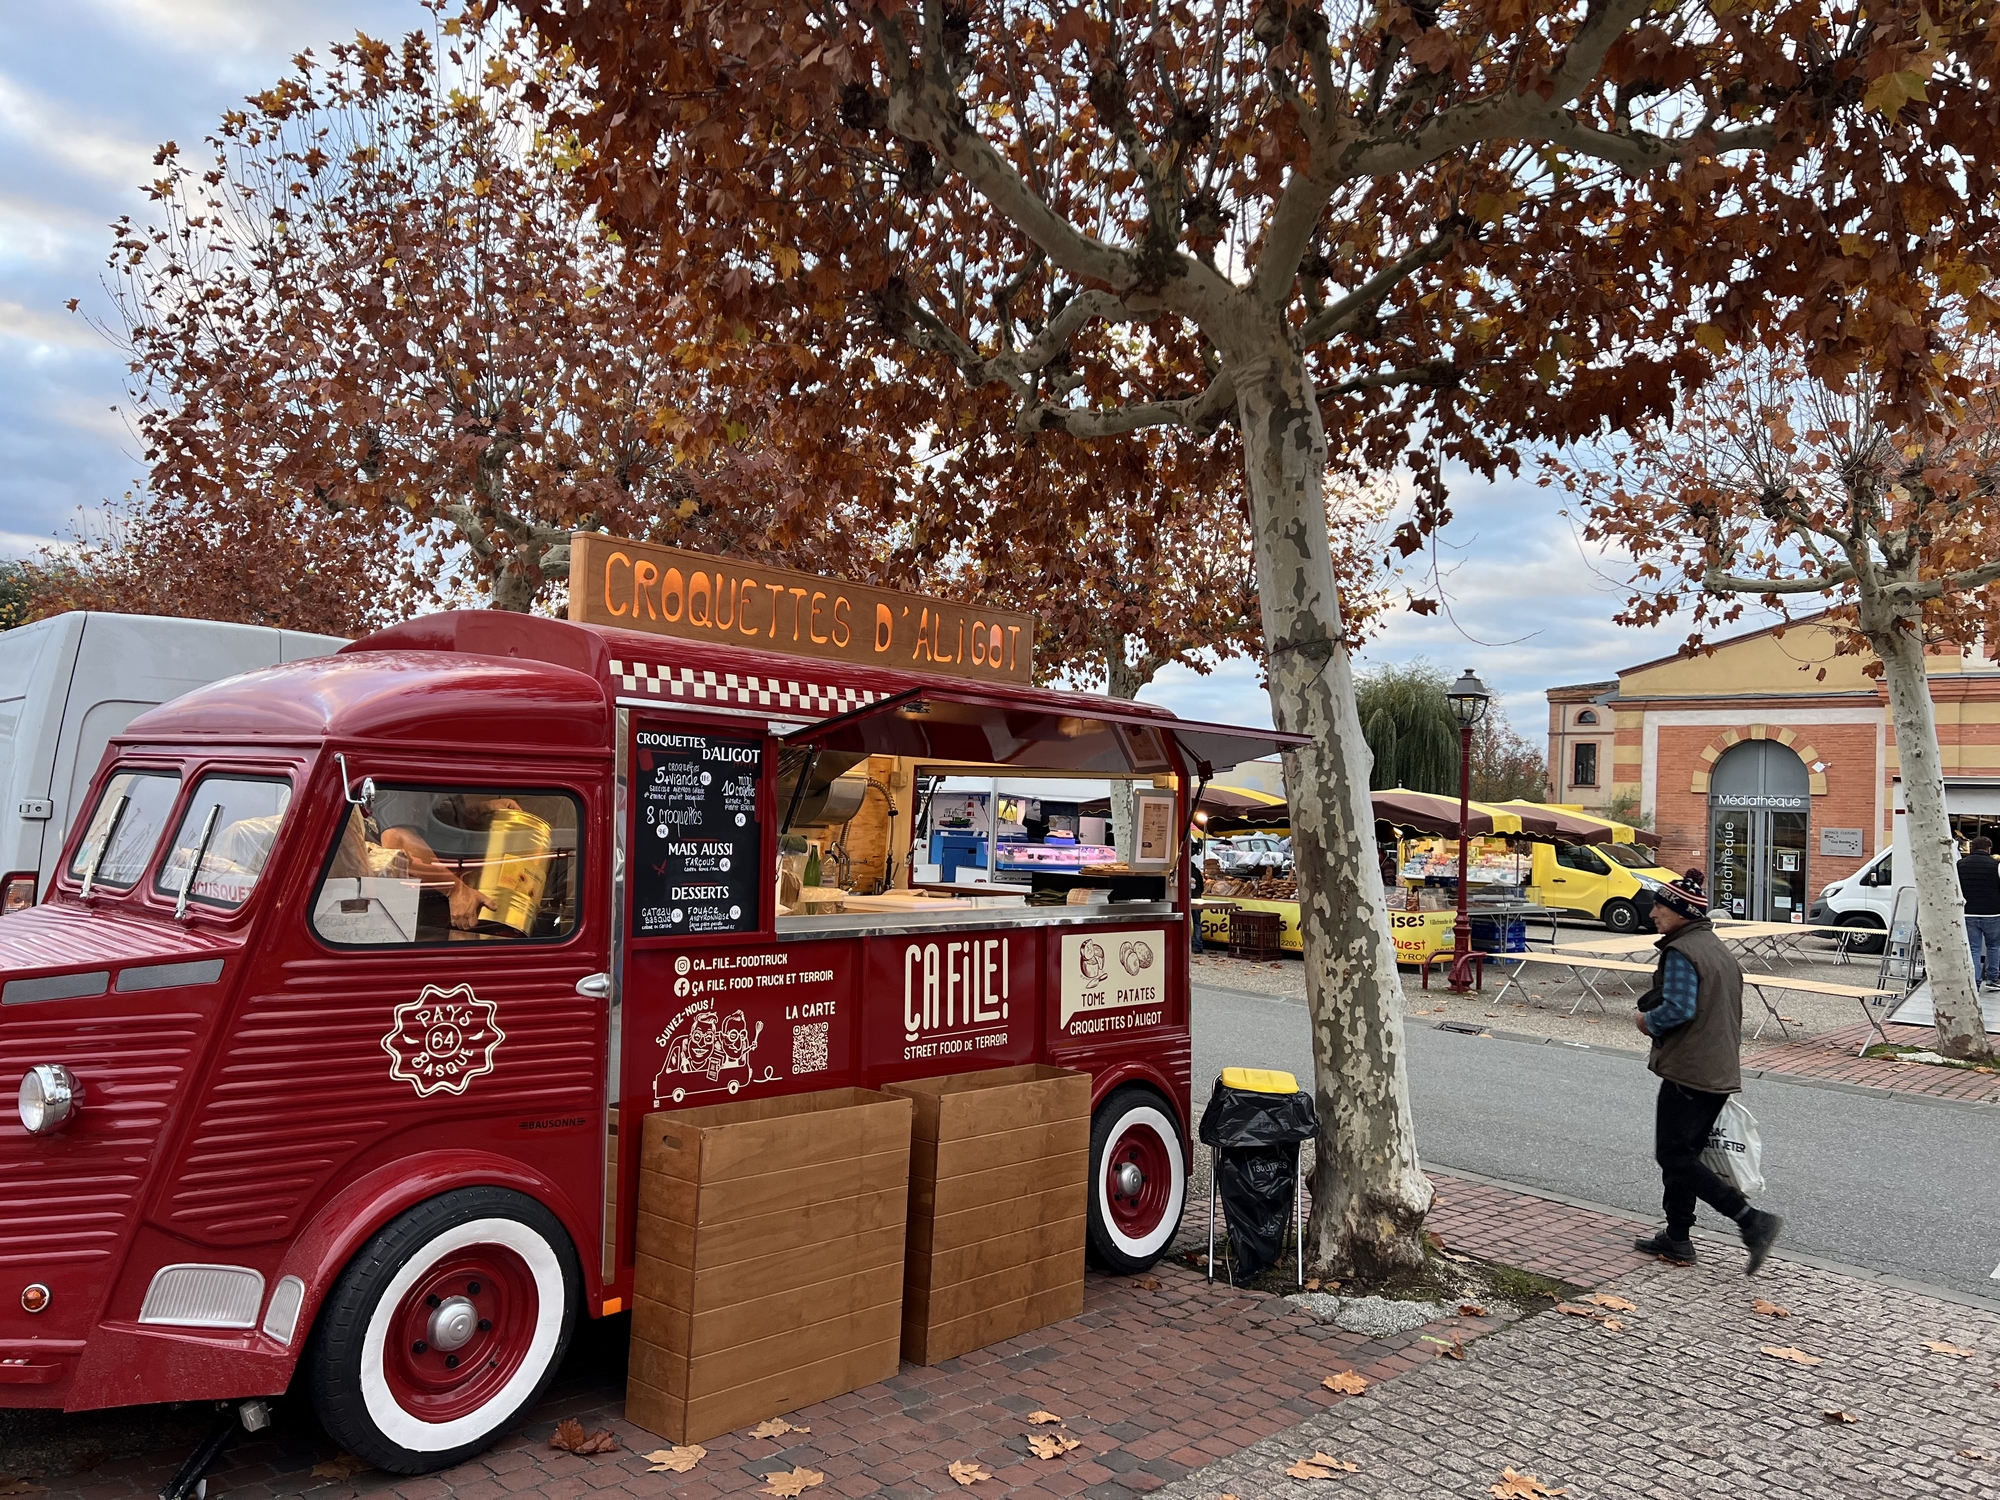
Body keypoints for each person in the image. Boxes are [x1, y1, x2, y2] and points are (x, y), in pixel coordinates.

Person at [1630, 878, 1784, 1272]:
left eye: (1659, 907)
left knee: (1674, 1155)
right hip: (1716, 1066)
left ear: (1681, 913)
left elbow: (1679, 1008)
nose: (1652, 913)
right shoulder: (1715, 948)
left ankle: (1752, 1221)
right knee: (1685, 1154)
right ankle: (1677, 1237)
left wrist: (1647, 1021)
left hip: (1691, 1069)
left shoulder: (1682, 951)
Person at [1956, 835, 2000, 990]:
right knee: (1993, 945)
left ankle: (1975, 981)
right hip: (1992, 913)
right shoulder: (1996, 865)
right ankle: (1993, 978)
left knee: (1973, 947)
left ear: (1971, 848)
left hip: (1968, 912)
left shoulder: (1960, 865)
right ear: (1988, 849)